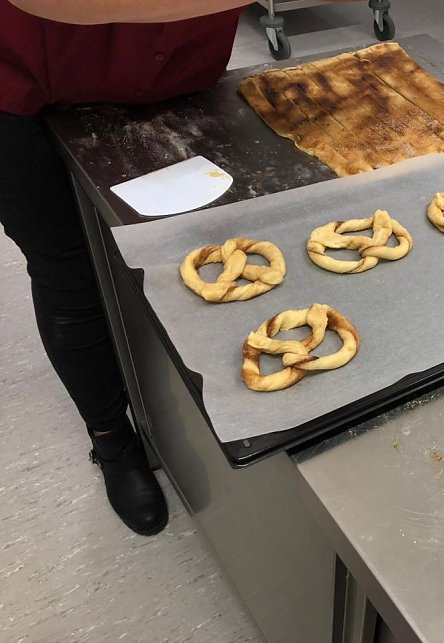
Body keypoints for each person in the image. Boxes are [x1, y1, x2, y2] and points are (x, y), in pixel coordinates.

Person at [0, 0, 362, 536]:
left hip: (180, 69)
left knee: (206, 254)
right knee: (70, 274)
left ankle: (198, 413)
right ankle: (113, 441)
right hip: (22, 77)